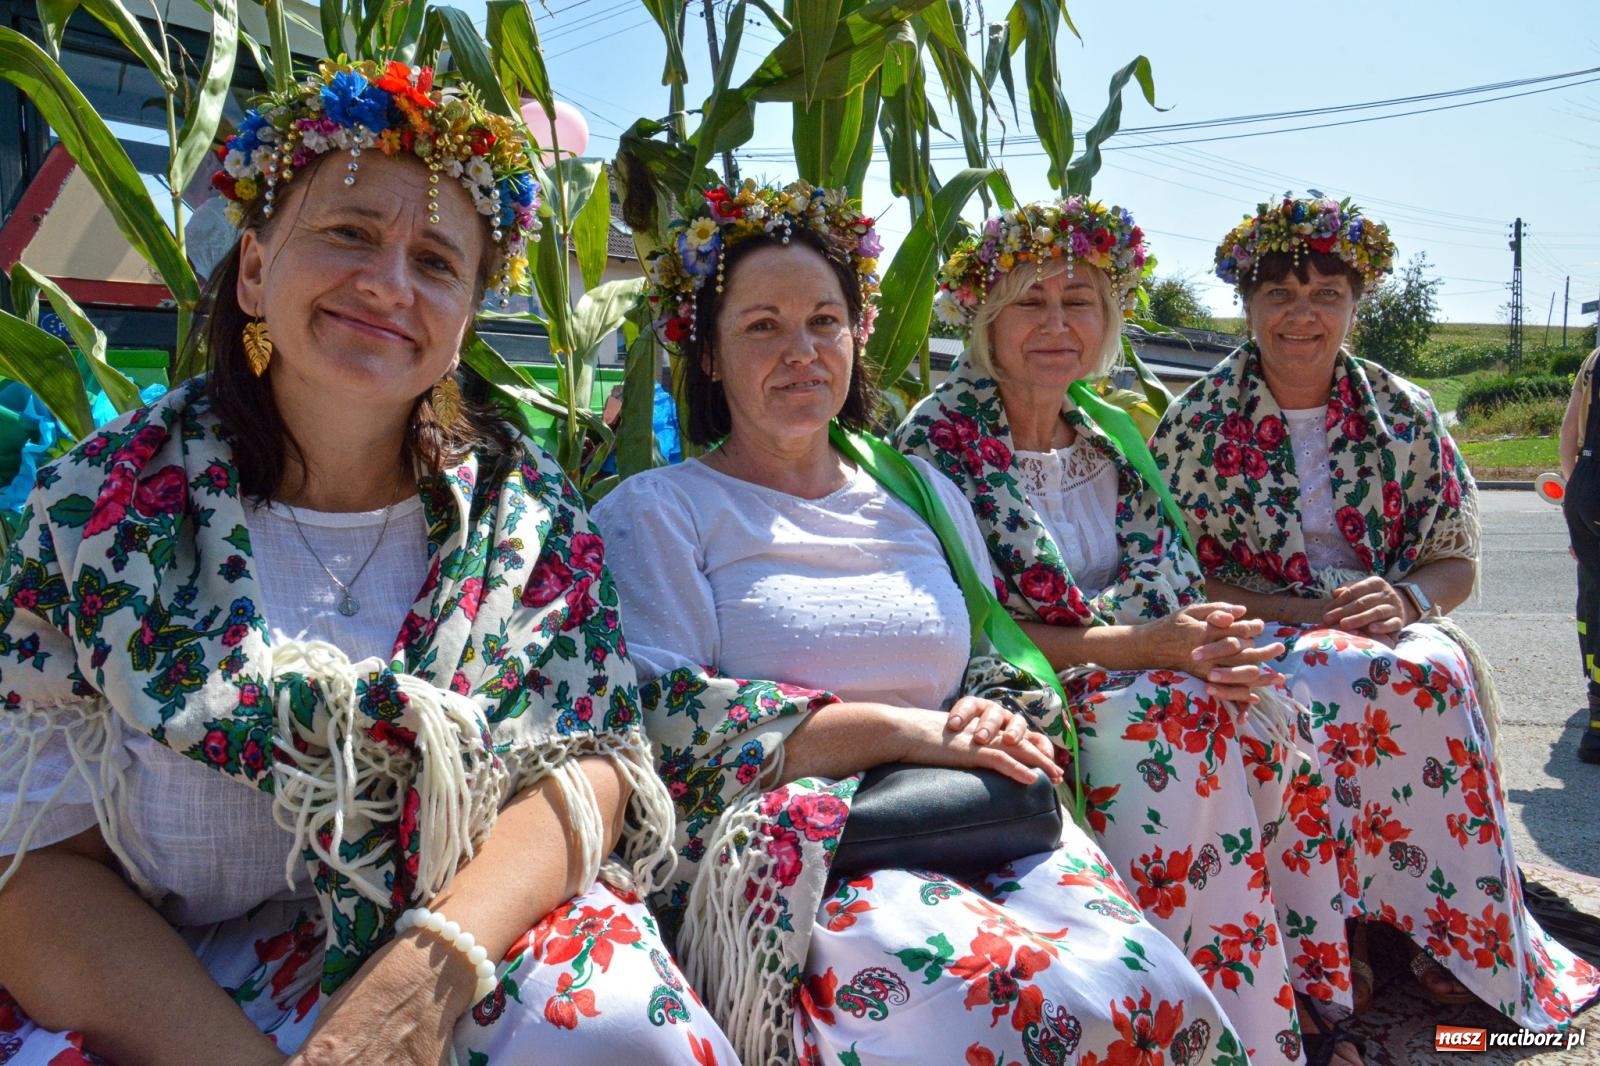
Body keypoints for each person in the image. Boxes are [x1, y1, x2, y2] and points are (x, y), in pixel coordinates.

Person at [0, 59, 735, 1066]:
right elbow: (32, 865)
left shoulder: (526, 517)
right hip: (168, 990)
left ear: (463, 321)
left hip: (463, 952)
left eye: (435, 260)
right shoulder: (96, 514)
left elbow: (590, 765)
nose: (389, 285)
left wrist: (416, 989)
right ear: (253, 270)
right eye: (348, 233)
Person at [596, 180, 1243, 1066]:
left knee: (1152, 993)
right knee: (1004, 996)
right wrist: (908, 730)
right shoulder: (658, 510)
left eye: (825, 322)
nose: (801, 352)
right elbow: (665, 722)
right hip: (814, 852)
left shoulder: (918, 493)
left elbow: (993, 653)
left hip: (976, 816)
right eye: (762, 326)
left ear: (857, 336)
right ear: (707, 353)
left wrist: (993, 710)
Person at [895, 197, 1353, 1066]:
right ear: (986, 319)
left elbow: (1171, 582)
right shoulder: (937, 446)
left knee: (1268, 699)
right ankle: (1190, 1025)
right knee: (1175, 725)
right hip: (1020, 690)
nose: (1056, 324)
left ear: (1107, 321)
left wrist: (1205, 642)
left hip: (1144, 664)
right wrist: (1150, 650)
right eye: (1030, 303)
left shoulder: (1107, 432)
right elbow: (972, 631)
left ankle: (1289, 996)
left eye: (1079, 303)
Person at [1151, 194, 1600, 1033]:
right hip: (1257, 624)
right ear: (1246, 305)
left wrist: (1406, 598)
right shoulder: (1194, 427)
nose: (1302, 314)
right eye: (1279, 294)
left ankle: (1450, 928)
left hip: (1388, 624)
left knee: (1430, 674)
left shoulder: (1405, 413)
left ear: (1357, 305)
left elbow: (1456, 561)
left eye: (1326, 293)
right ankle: (1338, 932)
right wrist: (1302, 609)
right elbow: (1177, 575)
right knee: (1315, 682)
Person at [1558, 345, 1600, 763]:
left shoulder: (1593, 360)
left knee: (1593, 599)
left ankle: (1598, 716)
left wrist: (1578, 504)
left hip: (1588, 485)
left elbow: (1569, 433)